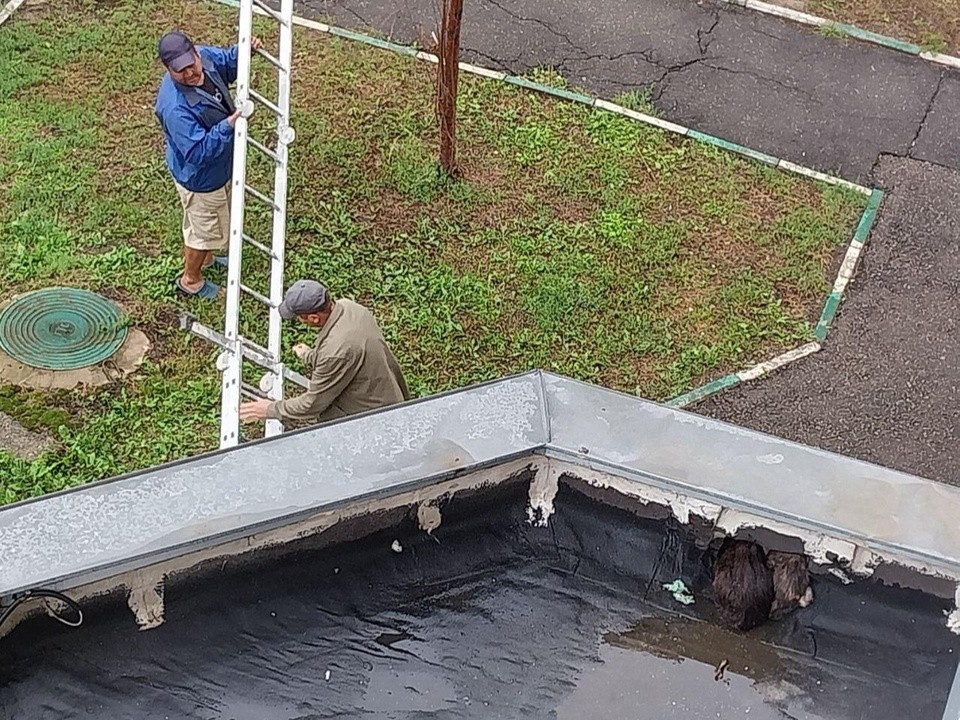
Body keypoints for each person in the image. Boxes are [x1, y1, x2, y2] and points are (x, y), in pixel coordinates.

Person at [154, 30, 262, 299]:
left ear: (196, 53)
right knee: (203, 232)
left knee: (204, 225)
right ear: (168, 70)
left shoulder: (206, 58)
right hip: (201, 179)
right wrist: (228, 126)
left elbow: (225, 62)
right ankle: (191, 279)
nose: (189, 73)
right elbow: (199, 151)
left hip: (217, 170)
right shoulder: (176, 108)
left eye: (191, 64)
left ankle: (208, 260)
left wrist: (242, 53)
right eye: (180, 71)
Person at [239, 280, 411, 427]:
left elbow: (312, 404)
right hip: (389, 390)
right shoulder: (350, 307)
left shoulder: (335, 351)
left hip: (375, 414)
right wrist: (310, 356)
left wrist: (270, 409)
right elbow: (346, 357)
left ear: (314, 318)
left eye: (300, 317)